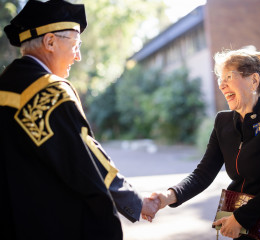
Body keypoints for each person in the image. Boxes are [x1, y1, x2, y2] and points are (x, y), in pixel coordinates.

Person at [0, 1, 159, 239]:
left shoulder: (6, 85)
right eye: (76, 44)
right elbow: (86, 157)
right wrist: (134, 201)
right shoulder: (49, 92)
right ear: (50, 42)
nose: (78, 56)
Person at [150, 48, 260, 240]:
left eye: (228, 77)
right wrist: (167, 197)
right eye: (220, 79)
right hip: (241, 223)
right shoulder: (222, 121)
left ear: (253, 80)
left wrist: (240, 218)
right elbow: (202, 174)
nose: (222, 85)